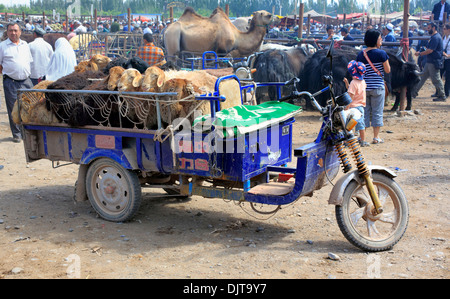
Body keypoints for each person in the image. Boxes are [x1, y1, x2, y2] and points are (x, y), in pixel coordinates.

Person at [0, 23, 34, 143]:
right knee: (13, 108)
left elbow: (29, 61)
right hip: (11, 81)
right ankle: (17, 134)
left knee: (29, 106)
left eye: (15, 30)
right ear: (7, 32)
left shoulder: (25, 45)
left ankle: (27, 131)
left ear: (20, 32)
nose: (13, 33)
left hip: (26, 81)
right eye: (10, 31)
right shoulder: (2, 46)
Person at [356, 29, 391, 144]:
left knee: (364, 113)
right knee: (377, 112)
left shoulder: (361, 54)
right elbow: (387, 70)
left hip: (364, 88)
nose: (381, 40)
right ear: (375, 40)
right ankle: (376, 137)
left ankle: (362, 137)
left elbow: (358, 71)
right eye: (380, 38)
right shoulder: (382, 53)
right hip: (378, 87)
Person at [414, 22, 446, 102]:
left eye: (429, 28)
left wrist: (420, 53)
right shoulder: (434, 37)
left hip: (433, 62)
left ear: (433, 28)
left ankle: (442, 95)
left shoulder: (435, 38)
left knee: (436, 79)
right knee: (422, 77)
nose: (427, 29)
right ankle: (414, 92)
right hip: (430, 61)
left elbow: (430, 50)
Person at [343, 60, 368, 146]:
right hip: (361, 107)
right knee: (361, 124)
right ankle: (363, 140)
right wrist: (347, 83)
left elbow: (351, 96)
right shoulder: (363, 82)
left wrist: (347, 108)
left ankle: (347, 141)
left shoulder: (353, 83)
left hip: (353, 108)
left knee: (349, 125)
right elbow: (352, 90)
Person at [441, 24, 450, 97]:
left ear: (448, 29)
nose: (443, 30)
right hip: (444, 59)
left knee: (448, 77)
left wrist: (447, 55)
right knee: (439, 75)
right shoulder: (444, 37)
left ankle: (446, 92)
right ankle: (440, 91)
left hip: (448, 59)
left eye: (444, 29)